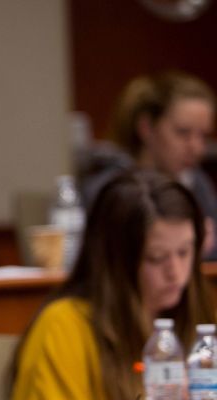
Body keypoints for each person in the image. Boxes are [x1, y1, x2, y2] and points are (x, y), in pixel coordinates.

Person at [10, 170, 214, 400]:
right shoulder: (62, 325)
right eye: (157, 258)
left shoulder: (204, 313)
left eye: (184, 252)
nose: (176, 272)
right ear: (116, 262)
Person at [79, 70, 217, 259]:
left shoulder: (198, 184)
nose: (196, 148)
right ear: (146, 128)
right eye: (183, 132)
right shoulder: (108, 187)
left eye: (203, 136)